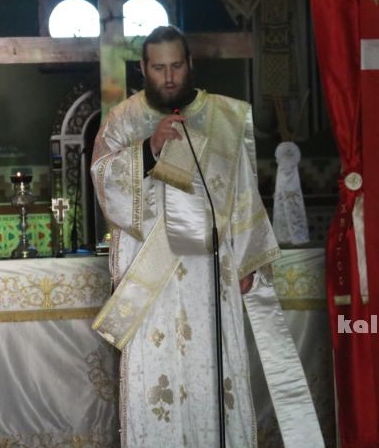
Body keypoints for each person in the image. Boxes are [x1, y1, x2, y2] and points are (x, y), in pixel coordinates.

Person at [90, 25, 280, 446]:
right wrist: (149, 148)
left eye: (176, 66)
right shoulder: (123, 119)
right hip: (151, 277)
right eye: (159, 68)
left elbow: (244, 192)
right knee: (155, 374)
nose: (169, 77)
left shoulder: (225, 117)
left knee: (211, 373)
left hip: (210, 276)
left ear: (190, 63)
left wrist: (247, 261)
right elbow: (103, 180)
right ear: (143, 68)